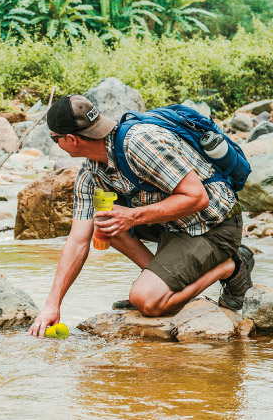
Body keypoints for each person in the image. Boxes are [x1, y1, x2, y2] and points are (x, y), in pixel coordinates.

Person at [29, 94, 254, 337]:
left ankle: (231, 267)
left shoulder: (139, 143)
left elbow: (198, 197)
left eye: (55, 139)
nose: (56, 143)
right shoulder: (90, 174)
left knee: (146, 301)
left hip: (214, 225)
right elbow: (77, 240)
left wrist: (132, 217)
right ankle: (158, 282)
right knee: (105, 224)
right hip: (174, 226)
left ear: (71, 139)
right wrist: (53, 304)